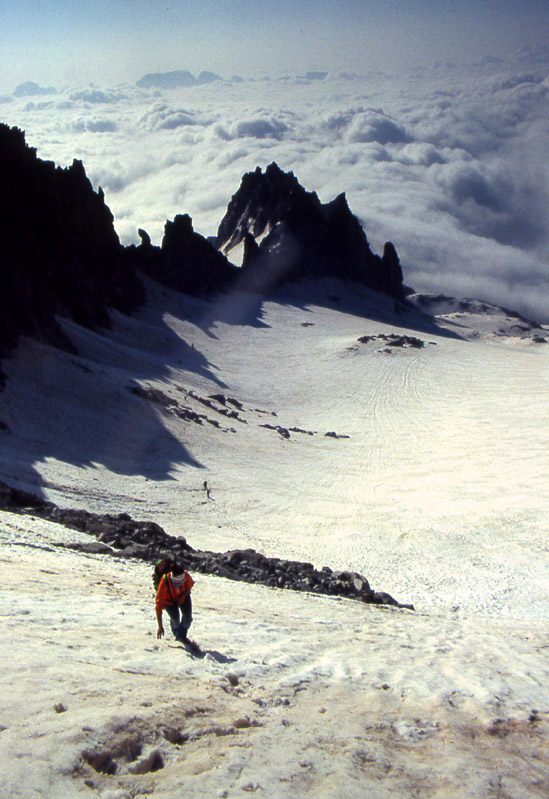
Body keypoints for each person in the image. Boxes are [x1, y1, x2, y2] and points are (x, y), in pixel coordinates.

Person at [155, 563, 195, 643]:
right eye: (177, 583)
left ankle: (180, 637)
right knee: (175, 621)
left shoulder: (185, 575)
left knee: (187, 620)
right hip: (169, 601)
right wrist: (160, 626)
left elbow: (190, 584)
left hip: (184, 597)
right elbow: (158, 605)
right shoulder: (165, 581)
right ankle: (178, 636)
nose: (179, 584)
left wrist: (183, 596)